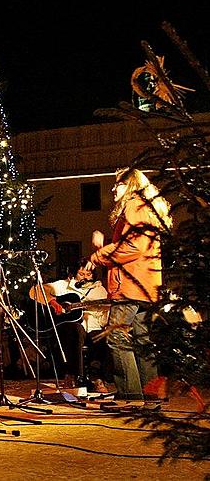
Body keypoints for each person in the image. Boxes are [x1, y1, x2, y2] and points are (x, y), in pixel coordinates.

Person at [88, 168, 172, 400]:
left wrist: (99, 255)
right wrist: (104, 245)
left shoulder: (134, 206)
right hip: (145, 287)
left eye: (119, 184)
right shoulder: (147, 209)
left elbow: (134, 247)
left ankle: (130, 396)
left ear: (131, 186)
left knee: (117, 337)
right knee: (143, 343)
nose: (114, 188)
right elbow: (135, 245)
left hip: (130, 286)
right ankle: (151, 398)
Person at [28, 260, 107, 389]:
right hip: (71, 328)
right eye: (81, 274)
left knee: (102, 337)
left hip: (93, 326)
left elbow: (105, 315)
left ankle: (97, 377)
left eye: (88, 274)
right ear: (74, 274)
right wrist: (52, 301)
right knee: (75, 331)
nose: (85, 277)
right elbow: (35, 291)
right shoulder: (63, 285)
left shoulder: (99, 290)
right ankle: (73, 375)